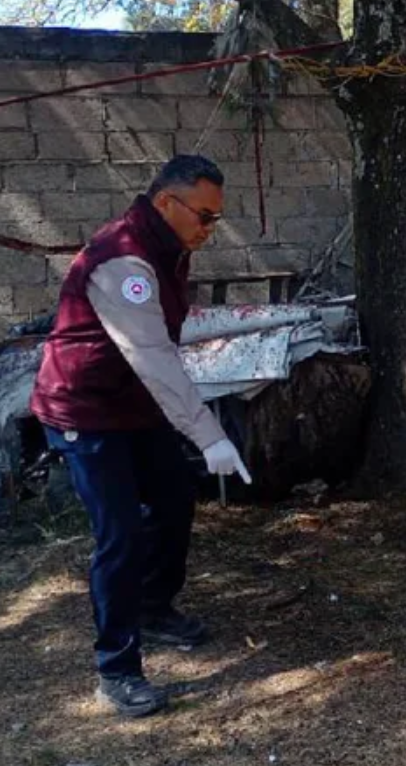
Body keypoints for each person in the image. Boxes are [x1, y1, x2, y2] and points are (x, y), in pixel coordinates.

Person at [30, 154, 252, 718]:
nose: (210, 229)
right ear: (166, 202)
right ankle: (117, 669)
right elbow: (151, 355)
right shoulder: (123, 261)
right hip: (85, 409)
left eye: (216, 218)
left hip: (133, 405)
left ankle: (153, 607)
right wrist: (209, 435)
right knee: (121, 534)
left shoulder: (167, 246)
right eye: (205, 216)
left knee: (174, 497)